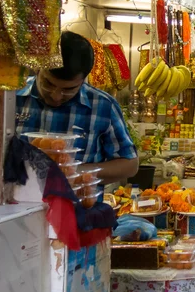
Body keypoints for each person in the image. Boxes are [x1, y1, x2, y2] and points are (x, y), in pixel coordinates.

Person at [16, 31, 139, 184]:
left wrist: (75, 171)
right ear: (38, 69)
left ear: (83, 80)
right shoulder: (11, 98)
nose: (56, 96)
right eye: (48, 84)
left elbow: (129, 165)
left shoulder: (103, 106)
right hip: (14, 203)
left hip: (77, 205)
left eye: (68, 90)